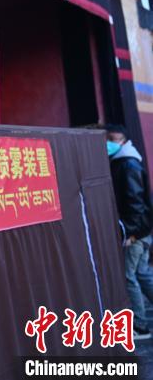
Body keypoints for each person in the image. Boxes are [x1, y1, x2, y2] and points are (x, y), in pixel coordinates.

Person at [106, 124, 153, 340]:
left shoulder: (127, 164)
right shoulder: (124, 161)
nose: (108, 143)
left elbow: (135, 203)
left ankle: (140, 326)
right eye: (107, 139)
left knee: (129, 276)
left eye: (112, 139)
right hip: (143, 229)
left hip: (136, 232)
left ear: (123, 141)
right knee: (142, 274)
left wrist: (131, 234)